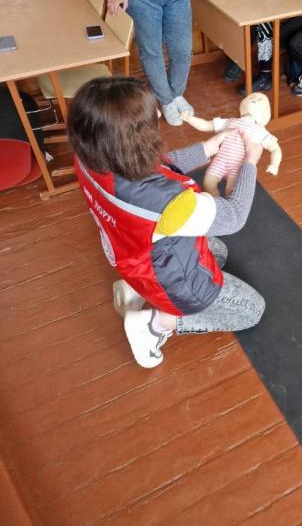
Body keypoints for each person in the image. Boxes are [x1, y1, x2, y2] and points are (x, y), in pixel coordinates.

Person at [67, 76, 265, 369]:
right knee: (251, 311)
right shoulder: (170, 205)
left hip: (129, 250)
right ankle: (156, 323)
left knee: (219, 251)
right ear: (133, 140)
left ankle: (137, 289)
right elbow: (234, 216)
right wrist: (250, 162)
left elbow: (152, 168)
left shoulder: (89, 156)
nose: (159, 114)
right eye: (152, 116)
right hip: (166, 274)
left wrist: (207, 148)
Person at [181, 92, 282, 196]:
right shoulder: (234, 123)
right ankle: (217, 202)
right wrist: (274, 164)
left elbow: (206, 125)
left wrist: (274, 164)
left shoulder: (254, 129)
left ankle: (217, 201)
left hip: (236, 166)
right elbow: (275, 149)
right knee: (215, 186)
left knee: (215, 186)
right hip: (221, 161)